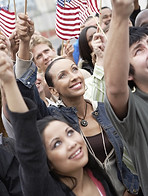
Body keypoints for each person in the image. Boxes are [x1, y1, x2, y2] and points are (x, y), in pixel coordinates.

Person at [0, 51, 117, 196]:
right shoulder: (46, 191)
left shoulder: (96, 177)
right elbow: (27, 139)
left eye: (70, 132)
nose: (71, 143)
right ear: (46, 161)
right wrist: (8, 82)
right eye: (56, 144)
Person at [103, 0, 148, 195]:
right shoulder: (134, 109)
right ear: (128, 74)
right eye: (139, 50)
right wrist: (120, 16)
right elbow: (115, 87)